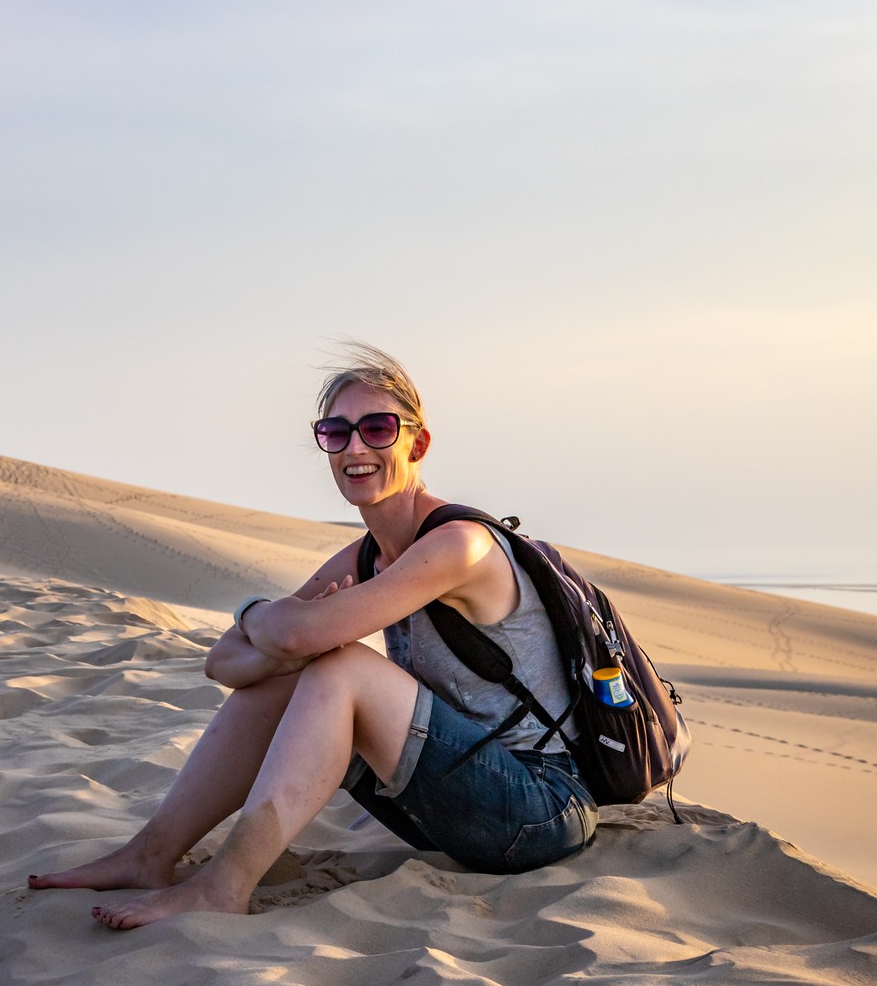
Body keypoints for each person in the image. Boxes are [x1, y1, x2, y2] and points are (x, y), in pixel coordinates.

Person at [29, 345, 597, 928]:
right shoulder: (368, 556)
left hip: (540, 809)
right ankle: (150, 855)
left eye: (377, 429)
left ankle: (225, 885)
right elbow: (222, 662)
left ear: (416, 444)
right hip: (452, 804)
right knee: (306, 668)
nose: (355, 448)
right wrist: (282, 644)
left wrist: (260, 616)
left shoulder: (460, 545)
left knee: (337, 665)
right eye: (336, 431)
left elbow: (292, 635)